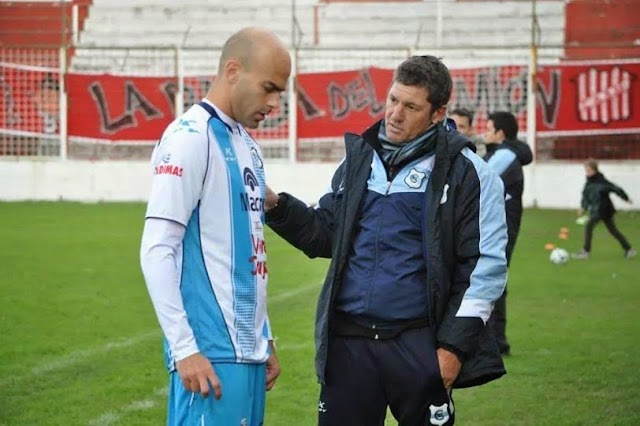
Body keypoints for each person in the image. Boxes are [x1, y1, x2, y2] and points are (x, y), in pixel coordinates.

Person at [265, 56, 508, 425]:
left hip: (418, 345)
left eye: (411, 107)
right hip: (349, 345)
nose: (395, 114)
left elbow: (484, 269)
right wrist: (275, 204)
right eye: (393, 100)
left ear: (438, 113)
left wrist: (453, 350)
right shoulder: (360, 161)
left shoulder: (471, 173)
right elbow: (324, 233)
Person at [139, 27, 291, 426]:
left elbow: (248, 252)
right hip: (209, 354)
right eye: (269, 88)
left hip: (248, 353)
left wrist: (266, 337)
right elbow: (157, 248)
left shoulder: (249, 147)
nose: (275, 104)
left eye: (281, 93)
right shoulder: (189, 138)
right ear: (233, 71)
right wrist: (184, 348)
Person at [483, 111, 533, 356]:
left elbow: (476, 179)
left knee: (493, 280)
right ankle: (491, 340)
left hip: (501, 229)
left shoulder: (504, 155)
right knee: (490, 280)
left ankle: (497, 342)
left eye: (488, 128)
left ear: (500, 133)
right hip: (500, 227)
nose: (485, 132)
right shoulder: (501, 153)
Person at [572, 159, 636, 260]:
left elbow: (616, 189)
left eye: (589, 170)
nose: (587, 172)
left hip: (603, 210)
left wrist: (626, 198)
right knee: (613, 230)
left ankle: (585, 252)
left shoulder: (602, 182)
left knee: (589, 226)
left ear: (595, 170)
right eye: (586, 170)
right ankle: (629, 249)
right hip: (598, 211)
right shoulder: (588, 184)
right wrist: (583, 207)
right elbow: (585, 197)